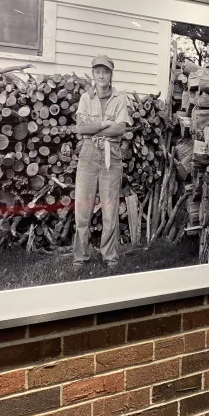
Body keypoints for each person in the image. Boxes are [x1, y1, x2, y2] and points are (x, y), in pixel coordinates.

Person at [73, 55, 132, 268]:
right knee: (83, 208)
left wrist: (95, 126)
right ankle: (80, 257)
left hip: (111, 155)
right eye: (97, 71)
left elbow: (120, 129)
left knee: (109, 208)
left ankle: (110, 257)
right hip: (88, 154)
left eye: (105, 71)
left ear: (110, 74)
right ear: (93, 74)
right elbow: (81, 128)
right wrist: (105, 123)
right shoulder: (85, 98)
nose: (101, 75)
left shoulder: (120, 98)